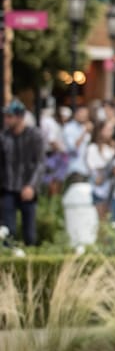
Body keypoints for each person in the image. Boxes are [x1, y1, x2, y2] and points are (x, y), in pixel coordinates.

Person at [1, 100, 46, 245]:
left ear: (20, 117)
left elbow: (40, 163)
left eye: (10, 116)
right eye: (6, 116)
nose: (7, 119)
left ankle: (29, 261)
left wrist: (31, 186)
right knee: (8, 231)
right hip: (8, 188)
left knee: (29, 233)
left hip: (27, 187)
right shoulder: (3, 137)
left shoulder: (34, 135)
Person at [85, 118, 115, 217]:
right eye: (108, 129)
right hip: (99, 189)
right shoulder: (93, 148)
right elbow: (93, 169)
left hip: (112, 188)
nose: (111, 132)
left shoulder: (112, 146)